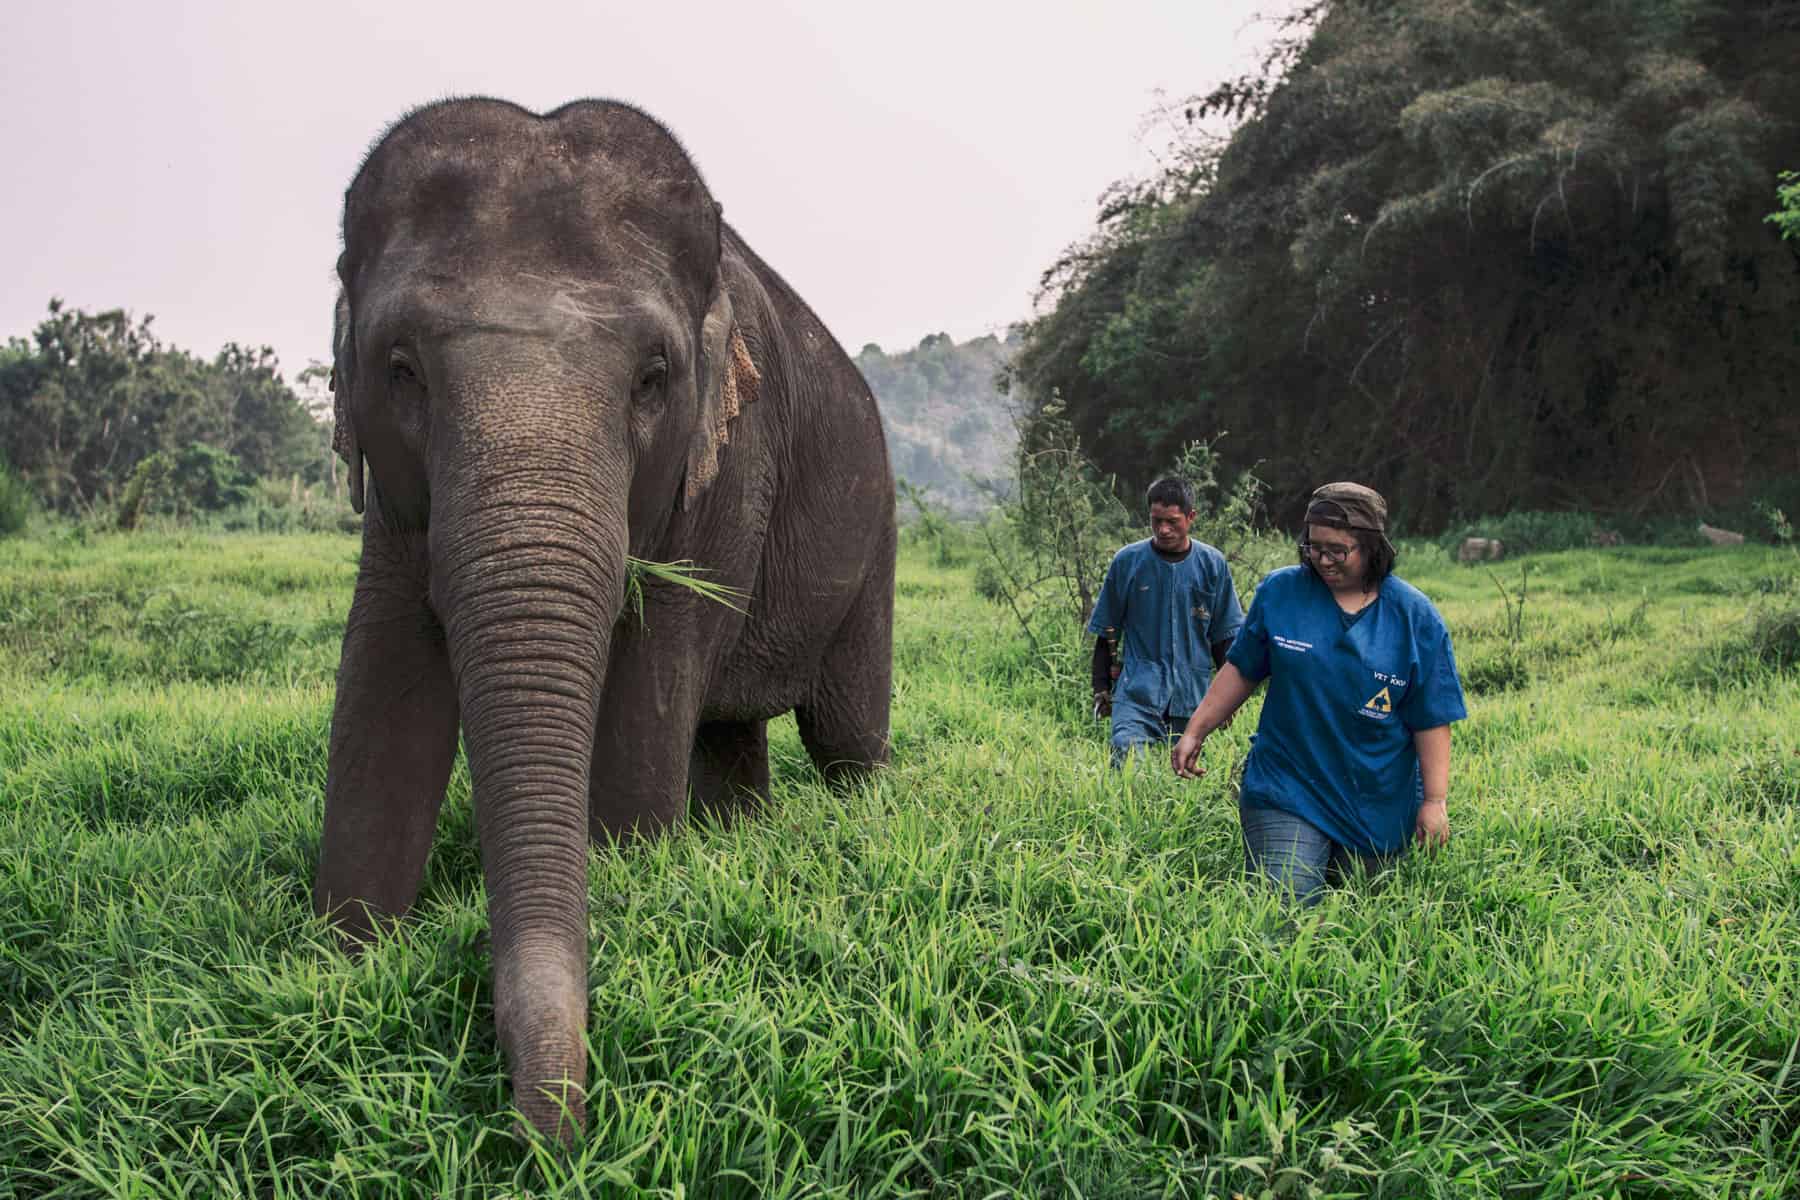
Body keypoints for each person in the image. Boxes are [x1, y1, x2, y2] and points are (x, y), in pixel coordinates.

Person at [1171, 482, 1466, 904]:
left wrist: (1435, 801)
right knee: (1287, 905)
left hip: (1374, 794)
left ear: (1371, 547)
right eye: (1313, 547)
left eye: (1337, 550)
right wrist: (1195, 731)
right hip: (1288, 782)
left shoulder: (1415, 618)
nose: (1323, 560)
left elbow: (1431, 716)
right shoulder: (1281, 593)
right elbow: (1241, 669)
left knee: (1362, 904)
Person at [1089, 477, 1244, 765]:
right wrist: (1101, 689)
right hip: (1137, 693)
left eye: (1172, 521)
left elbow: (1225, 640)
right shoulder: (1128, 562)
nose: (1163, 529)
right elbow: (1107, 630)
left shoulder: (1213, 564)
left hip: (1193, 697)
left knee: (1187, 777)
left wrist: (1228, 702)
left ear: (1191, 517)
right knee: (1126, 763)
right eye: (1156, 520)